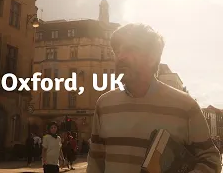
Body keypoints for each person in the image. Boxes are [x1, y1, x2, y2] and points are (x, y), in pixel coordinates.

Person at [86, 23, 222, 173]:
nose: (120, 56)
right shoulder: (104, 104)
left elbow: (211, 161)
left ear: (152, 58)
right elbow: (95, 161)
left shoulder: (186, 106)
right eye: (117, 51)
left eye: (131, 49)